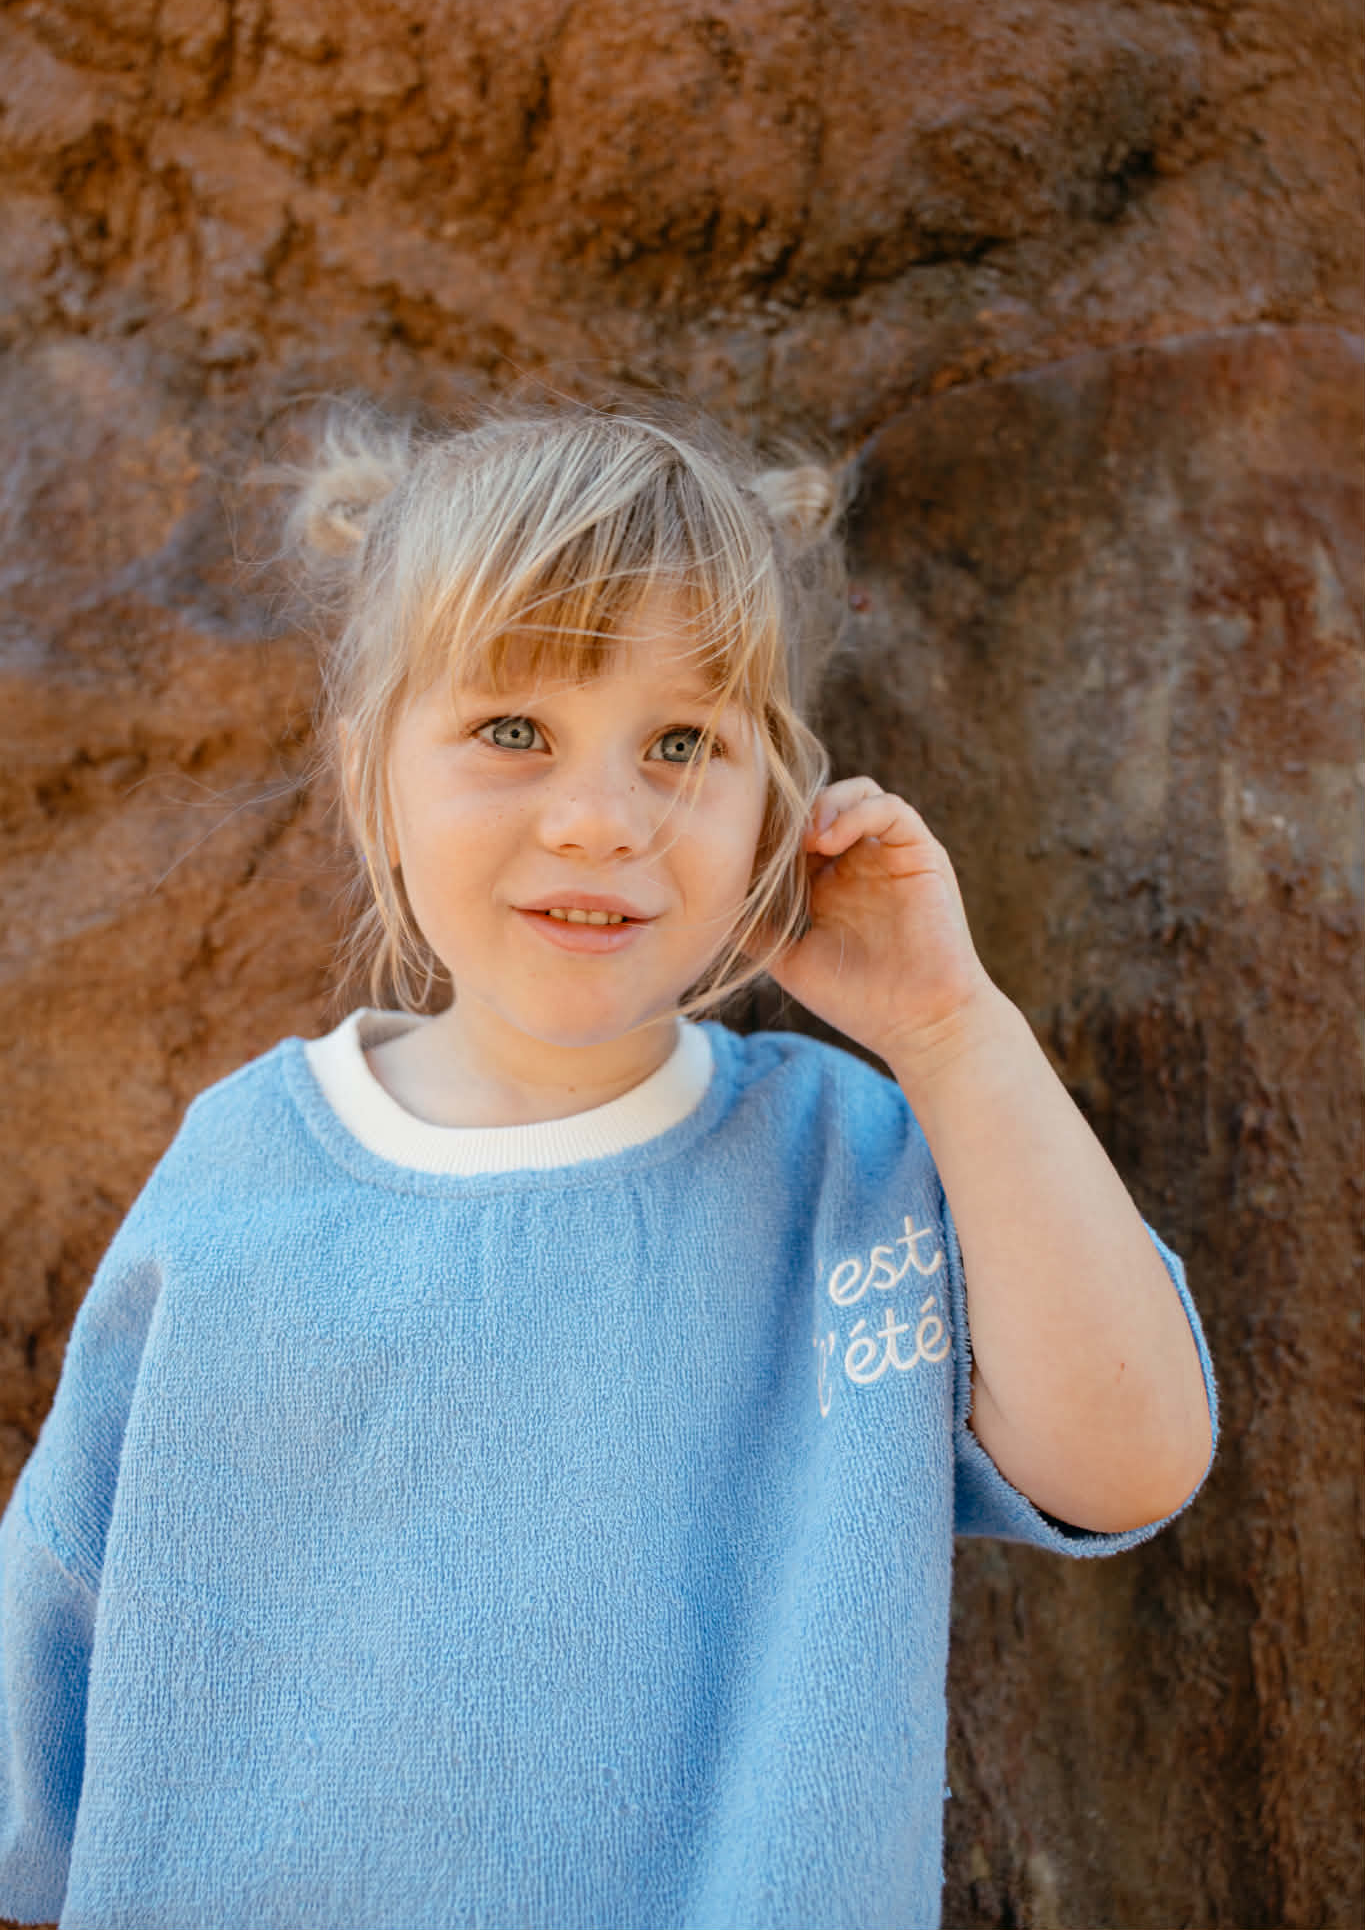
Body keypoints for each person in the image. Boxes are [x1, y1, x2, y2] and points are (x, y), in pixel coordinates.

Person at [0, 398, 1216, 1930]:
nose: (598, 820)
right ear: (372, 776)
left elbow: (1129, 1463)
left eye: (682, 744)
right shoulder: (242, 1170)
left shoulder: (849, 1164)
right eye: (513, 732)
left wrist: (948, 1028)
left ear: (776, 805)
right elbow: (50, 1655)